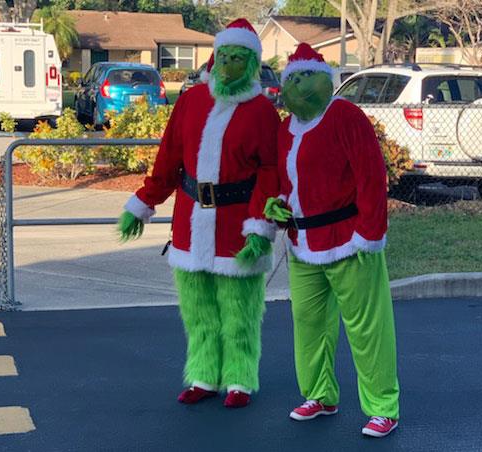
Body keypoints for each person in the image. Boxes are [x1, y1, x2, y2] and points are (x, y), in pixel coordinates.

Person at [118, 18, 280, 408]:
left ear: (252, 63)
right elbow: (169, 158)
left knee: (239, 311)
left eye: (238, 58)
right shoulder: (190, 102)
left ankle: (240, 377)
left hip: (236, 227)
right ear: (214, 57)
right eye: (224, 56)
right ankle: (204, 374)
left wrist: (260, 225)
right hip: (190, 224)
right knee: (198, 311)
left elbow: (270, 172)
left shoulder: (261, 112)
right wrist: (145, 202)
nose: (228, 65)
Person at [264, 43, 400, 436]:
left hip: (349, 240)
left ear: (326, 79)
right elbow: (285, 181)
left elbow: (371, 177)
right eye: (292, 79)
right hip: (302, 243)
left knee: (367, 328)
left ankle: (383, 406)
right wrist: (276, 204)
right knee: (308, 324)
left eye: (306, 76)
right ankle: (320, 395)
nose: (299, 85)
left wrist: (369, 234)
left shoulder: (346, 116)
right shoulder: (285, 129)